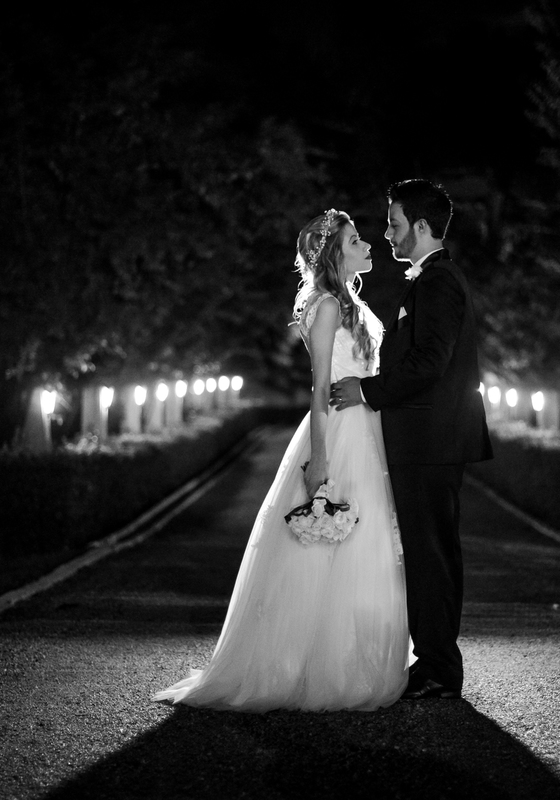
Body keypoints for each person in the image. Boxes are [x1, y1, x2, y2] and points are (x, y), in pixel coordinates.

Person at [152, 209, 410, 712]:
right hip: (340, 431)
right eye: (356, 241)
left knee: (365, 544)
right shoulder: (328, 306)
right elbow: (319, 388)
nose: (368, 245)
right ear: (335, 254)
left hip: (367, 426)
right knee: (330, 542)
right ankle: (315, 668)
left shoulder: (351, 302)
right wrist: (320, 459)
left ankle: (355, 658)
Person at [330, 179, 492, 701]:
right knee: (428, 554)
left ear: (421, 226)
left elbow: (429, 363)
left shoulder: (438, 281)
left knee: (430, 556)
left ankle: (439, 668)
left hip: (430, 441)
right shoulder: (431, 279)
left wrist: (366, 391)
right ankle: (435, 662)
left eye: (394, 223)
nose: (387, 234)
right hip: (429, 440)